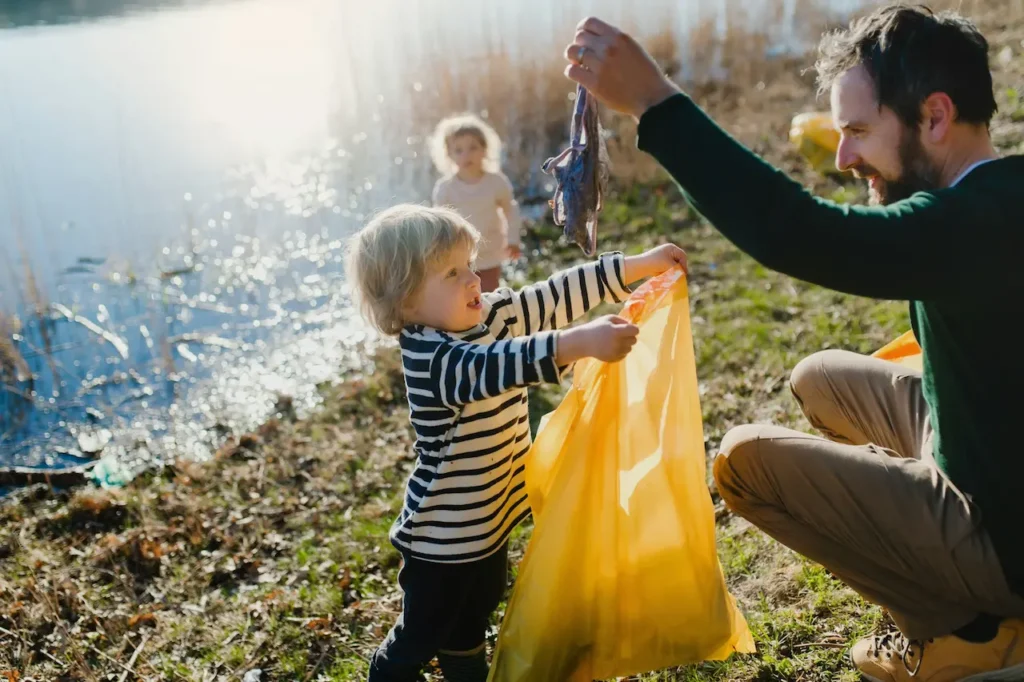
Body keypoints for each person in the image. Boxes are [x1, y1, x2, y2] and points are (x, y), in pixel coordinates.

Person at [561, 4, 1024, 681]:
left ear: (935, 116)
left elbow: (798, 233)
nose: (842, 158)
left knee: (746, 463)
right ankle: (938, 551)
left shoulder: (966, 226)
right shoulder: (1000, 190)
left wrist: (657, 105)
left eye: (860, 131)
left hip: (1006, 533)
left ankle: (965, 633)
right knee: (818, 376)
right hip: (995, 450)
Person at [346, 203, 686, 682]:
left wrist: (634, 267)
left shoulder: (485, 315)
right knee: (420, 635)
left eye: (468, 265)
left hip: (491, 523)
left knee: (474, 617)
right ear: (405, 302)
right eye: (451, 273)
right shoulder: (431, 358)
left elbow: (550, 296)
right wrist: (574, 344)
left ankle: (466, 670)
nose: (473, 281)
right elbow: (495, 367)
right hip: (442, 541)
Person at [430, 114, 523, 293]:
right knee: (461, 295)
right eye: (458, 150)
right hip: (459, 255)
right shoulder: (445, 188)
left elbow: (510, 210)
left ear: (484, 150)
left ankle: (489, 320)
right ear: (448, 154)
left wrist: (513, 240)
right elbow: (439, 223)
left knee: (488, 294)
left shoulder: (496, 182)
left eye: (473, 147)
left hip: (490, 252)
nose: (467, 155)